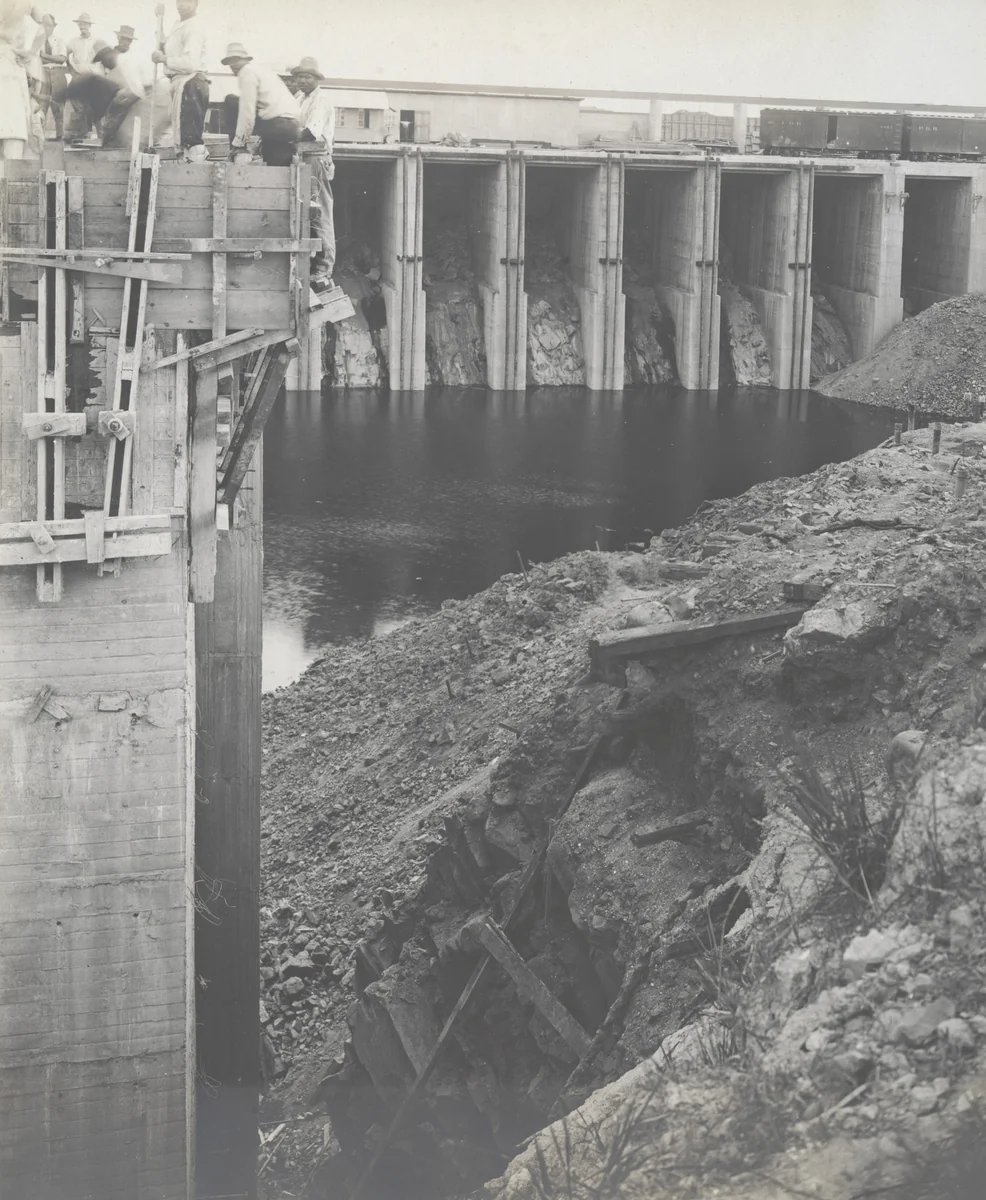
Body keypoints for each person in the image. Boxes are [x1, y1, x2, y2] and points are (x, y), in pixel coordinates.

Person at [290, 55, 335, 287]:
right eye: (299, 77)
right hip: (302, 157)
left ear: (316, 78)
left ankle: (325, 268)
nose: (302, 81)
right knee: (305, 211)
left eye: (306, 77)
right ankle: (310, 264)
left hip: (316, 158)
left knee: (321, 212)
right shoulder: (300, 97)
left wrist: (285, 138)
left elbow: (310, 132)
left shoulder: (321, 100)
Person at [221, 42, 300, 167]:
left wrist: (238, 144)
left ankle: (240, 150)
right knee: (276, 168)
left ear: (245, 60)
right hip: (291, 128)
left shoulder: (246, 72)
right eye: (230, 62)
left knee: (231, 101)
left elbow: (247, 111)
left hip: (276, 125)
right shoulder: (263, 71)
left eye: (236, 60)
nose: (233, 65)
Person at [151, 0, 207, 160]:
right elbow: (165, 46)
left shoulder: (194, 27)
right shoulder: (179, 25)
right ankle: (186, 173)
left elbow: (190, 63)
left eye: (187, 1)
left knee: (190, 139)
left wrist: (163, 58)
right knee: (181, 138)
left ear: (196, 3)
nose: (182, 4)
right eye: (179, 1)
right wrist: (160, 22)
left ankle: (194, 176)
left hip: (190, 82)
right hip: (179, 82)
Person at [0, 1, 42, 159]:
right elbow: (47, 24)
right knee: (14, 122)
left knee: (13, 124)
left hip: (12, 62)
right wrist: (31, 52)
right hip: (13, 61)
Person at [91, 37, 145, 144]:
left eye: (104, 58)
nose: (103, 61)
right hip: (125, 97)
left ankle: (108, 139)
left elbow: (134, 87)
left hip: (132, 95)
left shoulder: (124, 62)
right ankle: (108, 138)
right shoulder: (104, 68)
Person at [33, 12, 66, 139]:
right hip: (42, 73)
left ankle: (60, 138)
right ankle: (40, 138)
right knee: (42, 105)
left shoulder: (60, 40)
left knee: (58, 107)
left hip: (58, 73)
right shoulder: (37, 41)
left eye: (49, 26)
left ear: (53, 27)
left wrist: (45, 56)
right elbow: (36, 59)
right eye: (44, 25)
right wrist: (52, 58)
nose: (46, 28)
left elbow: (62, 59)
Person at [65, 10, 97, 141]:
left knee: (91, 106)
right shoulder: (73, 42)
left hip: (91, 77)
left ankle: (91, 133)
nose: (82, 27)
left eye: (85, 25)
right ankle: (82, 133)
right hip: (78, 76)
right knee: (78, 106)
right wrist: (70, 69)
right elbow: (64, 54)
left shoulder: (96, 41)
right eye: (80, 25)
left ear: (89, 26)